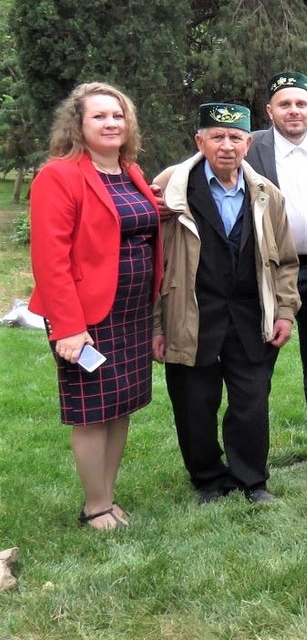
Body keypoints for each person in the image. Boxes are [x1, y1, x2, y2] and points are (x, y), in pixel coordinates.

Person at [30, 83, 163, 529]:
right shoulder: (59, 174)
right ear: (79, 125)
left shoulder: (130, 171)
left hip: (132, 312)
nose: (111, 123)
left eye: (118, 116)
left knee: (121, 404)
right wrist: (68, 326)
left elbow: (126, 220)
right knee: (91, 411)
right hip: (86, 317)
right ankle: (94, 508)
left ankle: (107, 497)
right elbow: (50, 258)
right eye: (100, 117)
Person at [153, 103, 299, 504]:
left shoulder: (268, 195)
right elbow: (154, 261)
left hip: (251, 316)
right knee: (195, 403)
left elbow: (286, 261)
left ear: (249, 143)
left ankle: (252, 480)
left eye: (235, 137)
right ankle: (208, 479)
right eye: (216, 136)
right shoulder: (170, 187)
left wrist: (285, 311)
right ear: (199, 141)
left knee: (251, 401)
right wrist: (157, 327)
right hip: (190, 314)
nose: (226, 145)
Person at [244, 70, 307, 463]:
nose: (294, 111)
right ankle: (252, 455)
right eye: (285, 104)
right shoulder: (252, 148)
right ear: (269, 110)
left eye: (301, 103)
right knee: (257, 368)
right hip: (269, 274)